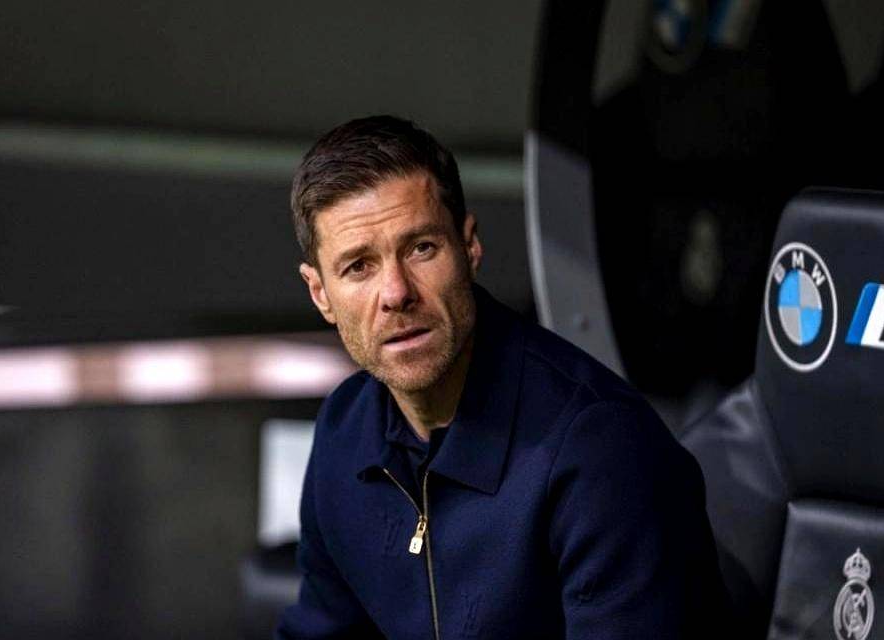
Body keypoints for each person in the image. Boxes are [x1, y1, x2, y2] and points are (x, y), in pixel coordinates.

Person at [275, 115, 727, 639]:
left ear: (469, 247)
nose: (396, 292)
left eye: (421, 248)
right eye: (359, 266)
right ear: (320, 294)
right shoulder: (343, 432)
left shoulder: (600, 451)